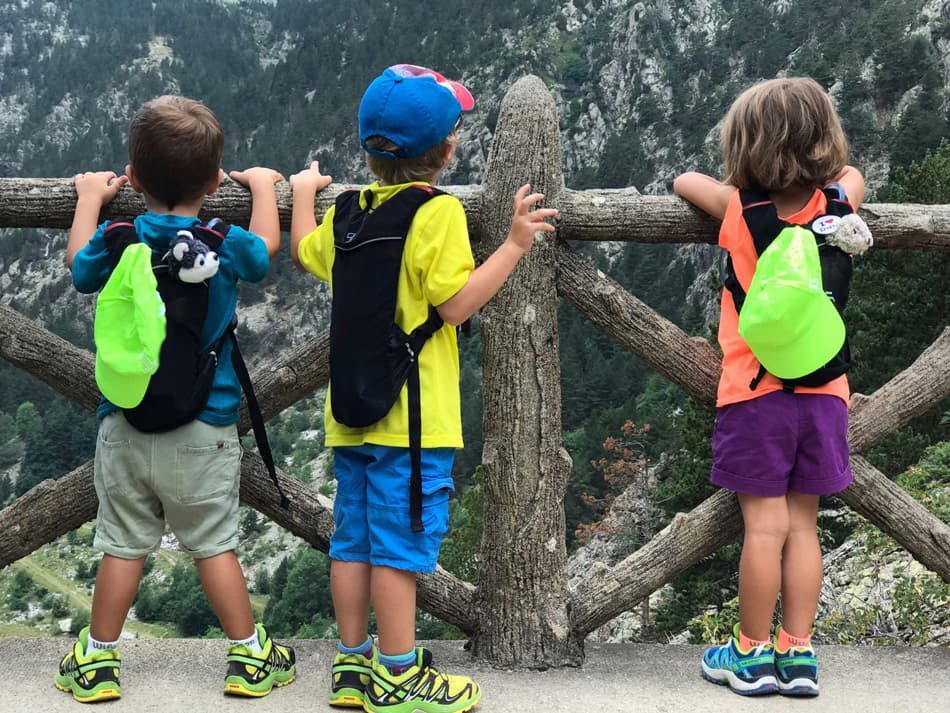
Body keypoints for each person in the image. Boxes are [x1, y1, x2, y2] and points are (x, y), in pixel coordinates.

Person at [289, 64, 557, 712]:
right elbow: (457, 303)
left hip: (350, 414)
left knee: (351, 542)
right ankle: (399, 674)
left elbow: (303, 249)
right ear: (446, 151)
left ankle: (353, 668)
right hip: (413, 422)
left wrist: (301, 191)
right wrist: (514, 244)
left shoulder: (350, 212)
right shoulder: (435, 214)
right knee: (400, 550)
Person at [56, 95, 295, 703]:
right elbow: (265, 251)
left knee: (121, 545)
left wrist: (88, 199)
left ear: (132, 179)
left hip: (125, 427)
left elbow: (77, 268)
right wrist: (265, 187)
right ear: (216, 182)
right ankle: (249, 657)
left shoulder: (118, 235)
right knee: (213, 542)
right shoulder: (220, 238)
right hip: (205, 427)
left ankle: (97, 661)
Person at [674, 77, 866, 698]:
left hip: (756, 393)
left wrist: (741, 182)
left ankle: (751, 654)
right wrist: (828, 179)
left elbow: (683, 183)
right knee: (804, 526)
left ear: (747, 149)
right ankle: (799, 653)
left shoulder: (741, 211)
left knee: (764, 529)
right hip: (824, 391)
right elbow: (854, 175)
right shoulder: (839, 210)